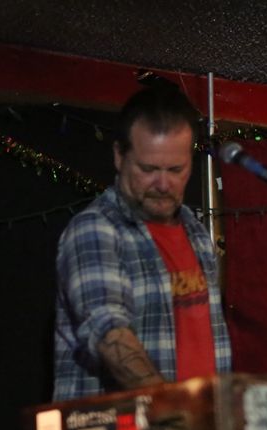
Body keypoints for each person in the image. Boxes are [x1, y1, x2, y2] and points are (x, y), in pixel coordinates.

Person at [53, 85, 231, 401]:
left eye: (176, 169)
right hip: (132, 427)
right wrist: (175, 408)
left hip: (200, 423)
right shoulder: (97, 229)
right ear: (119, 156)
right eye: (148, 169)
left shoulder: (195, 232)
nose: (163, 184)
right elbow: (109, 334)